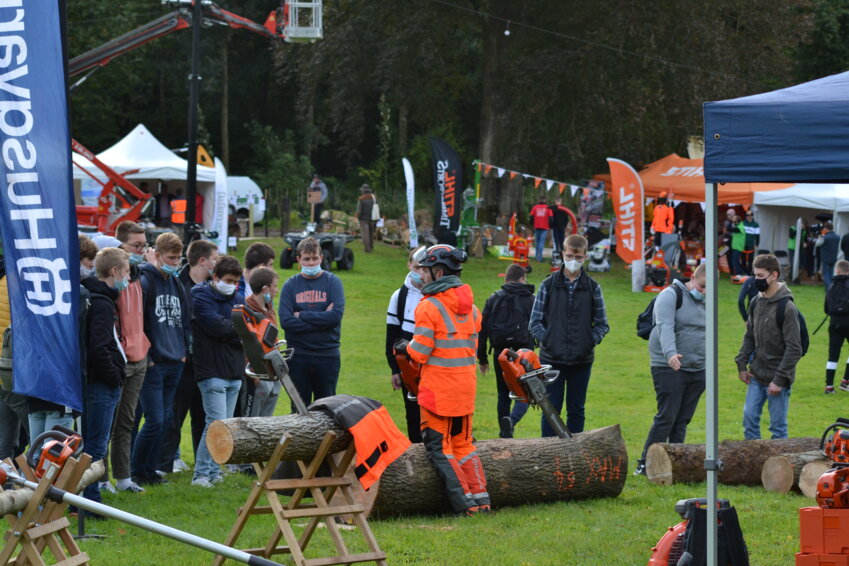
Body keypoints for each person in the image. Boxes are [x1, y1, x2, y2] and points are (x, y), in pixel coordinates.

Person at [404, 244, 490, 516]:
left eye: (426, 270)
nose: (422, 276)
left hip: (437, 392)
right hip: (465, 390)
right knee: (463, 444)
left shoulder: (428, 306)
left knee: (440, 448)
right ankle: (482, 500)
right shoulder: (473, 309)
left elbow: (420, 352)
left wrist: (403, 347)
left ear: (438, 271)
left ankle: (465, 504)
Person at [529, 234, 609, 436]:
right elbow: (534, 322)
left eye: (579, 257)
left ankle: (575, 453)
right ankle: (549, 453)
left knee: (577, 410)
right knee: (550, 409)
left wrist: (589, 341)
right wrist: (548, 339)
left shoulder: (593, 288)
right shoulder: (548, 285)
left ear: (585, 256)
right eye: (571, 255)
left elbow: (602, 324)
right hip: (551, 359)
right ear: (563, 254)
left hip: (581, 361)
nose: (574, 260)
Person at [634, 265, 707, 476]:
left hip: (698, 367)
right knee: (667, 416)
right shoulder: (669, 295)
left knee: (683, 419)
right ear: (692, 278)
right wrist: (670, 354)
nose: (704, 292)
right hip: (668, 365)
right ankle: (645, 463)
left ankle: (675, 462)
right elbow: (664, 326)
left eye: (709, 289)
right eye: (702, 286)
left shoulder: (709, 300)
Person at [133, 233, 190, 486]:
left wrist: (183, 353)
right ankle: (136, 470)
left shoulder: (176, 283)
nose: (175, 262)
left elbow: (184, 320)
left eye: (178, 258)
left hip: (175, 360)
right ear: (157, 255)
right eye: (171, 257)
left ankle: (151, 469)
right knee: (154, 419)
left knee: (165, 419)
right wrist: (149, 357)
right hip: (154, 363)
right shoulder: (146, 282)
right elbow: (139, 322)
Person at [158, 239, 218, 475]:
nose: (217, 263)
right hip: (181, 361)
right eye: (214, 259)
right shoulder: (177, 284)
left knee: (202, 417)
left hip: (206, 362)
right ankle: (165, 464)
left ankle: (202, 462)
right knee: (174, 416)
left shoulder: (214, 287)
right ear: (202, 260)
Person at [80, 247, 130, 513]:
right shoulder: (101, 302)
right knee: (96, 447)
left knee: (91, 443)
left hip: (99, 382)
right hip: (101, 384)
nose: (129, 278)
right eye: (127, 272)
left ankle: (84, 502)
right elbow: (98, 347)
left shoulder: (98, 297)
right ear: (115, 271)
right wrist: (114, 376)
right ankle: (90, 504)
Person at [735, 254, 803, 440]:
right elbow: (749, 336)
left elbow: (794, 348)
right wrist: (741, 365)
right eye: (754, 275)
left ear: (773, 275)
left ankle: (778, 467)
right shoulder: (756, 302)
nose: (755, 280)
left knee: (778, 429)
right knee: (749, 421)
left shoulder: (787, 308)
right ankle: (755, 465)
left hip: (778, 378)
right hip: (756, 375)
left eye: (760, 276)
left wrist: (779, 380)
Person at [191, 255, 244, 487]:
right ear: (215, 277)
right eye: (228, 280)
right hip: (211, 369)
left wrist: (233, 330)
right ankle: (201, 474)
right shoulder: (200, 296)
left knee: (223, 426)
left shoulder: (239, 298)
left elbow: (245, 330)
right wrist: (237, 330)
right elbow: (216, 326)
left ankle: (214, 471)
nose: (232, 285)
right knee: (214, 423)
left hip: (234, 371)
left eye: (236, 281)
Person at [108, 222, 152, 493]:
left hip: (139, 357)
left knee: (127, 421)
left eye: (144, 244)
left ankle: (123, 478)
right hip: (120, 359)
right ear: (120, 245)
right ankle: (100, 479)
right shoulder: (113, 280)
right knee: (105, 423)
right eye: (136, 245)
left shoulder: (138, 276)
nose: (141, 250)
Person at [278, 237, 345, 409]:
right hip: (298, 356)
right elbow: (286, 321)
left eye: (314, 258)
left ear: (321, 258)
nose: (311, 262)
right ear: (298, 260)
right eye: (306, 259)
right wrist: (322, 319)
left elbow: (335, 317)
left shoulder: (333, 282)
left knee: (328, 409)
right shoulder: (290, 285)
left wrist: (301, 315)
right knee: (299, 409)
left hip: (327, 355)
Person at [477, 263, 534, 438]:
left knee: (503, 393)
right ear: (522, 278)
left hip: (500, 352)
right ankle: (512, 420)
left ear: (506, 278)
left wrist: (482, 358)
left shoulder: (494, 298)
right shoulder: (531, 298)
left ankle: (505, 432)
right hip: (524, 353)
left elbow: (482, 329)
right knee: (526, 391)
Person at [385, 247, 426, 443]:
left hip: (430, 364)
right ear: (409, 265)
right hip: (407, 365)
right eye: (417, 267)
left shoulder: (435, 295)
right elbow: (391, 335)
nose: (420, 273)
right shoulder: (399, 296)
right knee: (412, 413)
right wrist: (395, 369)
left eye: (424, 268)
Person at [244, 267, 281, 417]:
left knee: (267, 425)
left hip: (273, 373)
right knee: (252, 424)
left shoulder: (269, 309)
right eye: (275, 286)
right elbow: (246, 344)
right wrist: (255, 377)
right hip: (257, 375)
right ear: (265, 289)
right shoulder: (247, 311)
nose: (277, 290)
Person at [825, 260, 849, 394]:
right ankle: (845, 381)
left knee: (833, 355)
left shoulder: (831, 285)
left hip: (834, 323)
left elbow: (826, 308)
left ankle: (829, 386)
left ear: (837, 271)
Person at [816, 221, 840, 289]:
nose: (823, 230)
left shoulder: (825, 237)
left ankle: (828, 288)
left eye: (824, 228)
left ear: (826, 228)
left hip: (825, 258)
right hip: (834, 257)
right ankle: (832, 287)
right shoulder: (837, 237)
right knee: (831, 274)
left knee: (826, 274)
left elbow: (817, 244)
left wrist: (820, 237)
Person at [529, 196, 553, 262]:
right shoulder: (548, 208)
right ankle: (540, 258)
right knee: (541, 243)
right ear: (545, 200)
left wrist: (532, 225)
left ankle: (537, 256)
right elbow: (551, 218)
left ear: (539, 200)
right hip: (544, 227)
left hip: (536, 227)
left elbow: (531, 217)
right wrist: (550, 226)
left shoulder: (535, 207)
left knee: (537, 242)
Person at [357, 184, 377, 253]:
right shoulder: (373, 197)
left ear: (363, 191)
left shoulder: (361, 199)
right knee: (371, 234)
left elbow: (359, 211)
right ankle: (371, 247)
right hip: (372, 218)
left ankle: (367, 249)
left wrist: (358, 218)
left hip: (363, 219)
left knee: (365, 235)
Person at [741, 209, 760, 275]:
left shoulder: (756, 224)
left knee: (750, 260)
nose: (748, 216)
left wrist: (756, 245)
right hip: (743, 244)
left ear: (752, 216)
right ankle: (744, 272)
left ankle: (749, 273)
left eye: (749, 215)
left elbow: (757, 236)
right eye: (747, 215)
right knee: (743, 260)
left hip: (751, 245)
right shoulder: (743, 223)